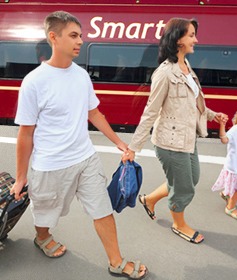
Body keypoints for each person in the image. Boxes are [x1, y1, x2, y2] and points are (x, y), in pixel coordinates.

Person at [11, 11, 148, 279]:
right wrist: (20, 178)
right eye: (74, 35)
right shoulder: (34, 82)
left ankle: (116, 261)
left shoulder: (81, 75)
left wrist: (120, 142)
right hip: (50, 166)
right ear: (53, 37)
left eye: (81, 36)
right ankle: (42, 237)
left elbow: (94, 113)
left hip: (85, 158)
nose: (80, 41)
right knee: (46, 214)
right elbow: (25, 134)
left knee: (102, 208)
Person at [122, 18, 227, 244]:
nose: (196, 39)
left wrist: (212, 115)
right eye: (191, 35)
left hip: (188, 138)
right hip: (170, 142)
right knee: (184, 187)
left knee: (191, 178)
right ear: (178, 40)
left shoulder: (187, 68)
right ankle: (179, 224)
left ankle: (149, 199)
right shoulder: (165, 73)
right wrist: (133, 148)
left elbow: (193, 104)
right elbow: (150, 112)